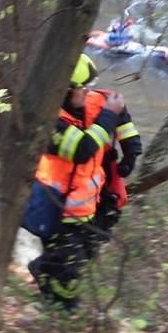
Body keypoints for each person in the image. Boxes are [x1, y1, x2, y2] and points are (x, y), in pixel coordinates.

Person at [23, 53, 141, 311]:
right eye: (83, 89)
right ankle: (62, 303)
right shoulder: (48, 122)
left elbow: (121, 115)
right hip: (58, 205)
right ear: (65, 91)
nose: (88, 93)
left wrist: (131, 150)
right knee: (69, 261)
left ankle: (52, 282)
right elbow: (83, 148)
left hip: (89, 201)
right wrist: (108, 115)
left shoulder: (95, 100)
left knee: (87, 250)